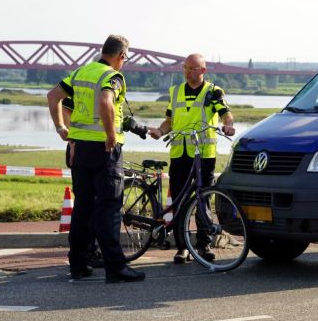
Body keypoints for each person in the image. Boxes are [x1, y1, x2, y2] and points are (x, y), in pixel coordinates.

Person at [47, 34, 145, 283]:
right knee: (109, 207)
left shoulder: (81, 72)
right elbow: (105, 101)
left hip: (80, 148)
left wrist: (61, 128)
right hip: (104, 150)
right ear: (121, 55)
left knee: (83, 207)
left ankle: (78, 264)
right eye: (126, 58)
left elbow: (52, 96)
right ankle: (116, 268)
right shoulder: (112, 76)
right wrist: (111, 135)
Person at [149, 53, 235, 264]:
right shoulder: (176, 91)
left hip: (204, 154)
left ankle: (203, 245)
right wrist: (160, 131)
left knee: (203, 199)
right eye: (185, 68)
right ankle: (182, 248)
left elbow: (226, 114)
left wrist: (228, 125)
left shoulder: (213, 92)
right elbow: (170, 119)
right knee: (178, 200)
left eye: (192, 69)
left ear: (203, 71)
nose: (188, 72)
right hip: (180, 154)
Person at [61, 97, 104, 269]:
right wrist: (72, 142)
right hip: (83, 147)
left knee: (87, 205)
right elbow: (65, 109)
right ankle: (87, 253)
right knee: (88, 205)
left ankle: (84, 255)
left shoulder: (85, 79)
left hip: (87, 146)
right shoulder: (92, 81)